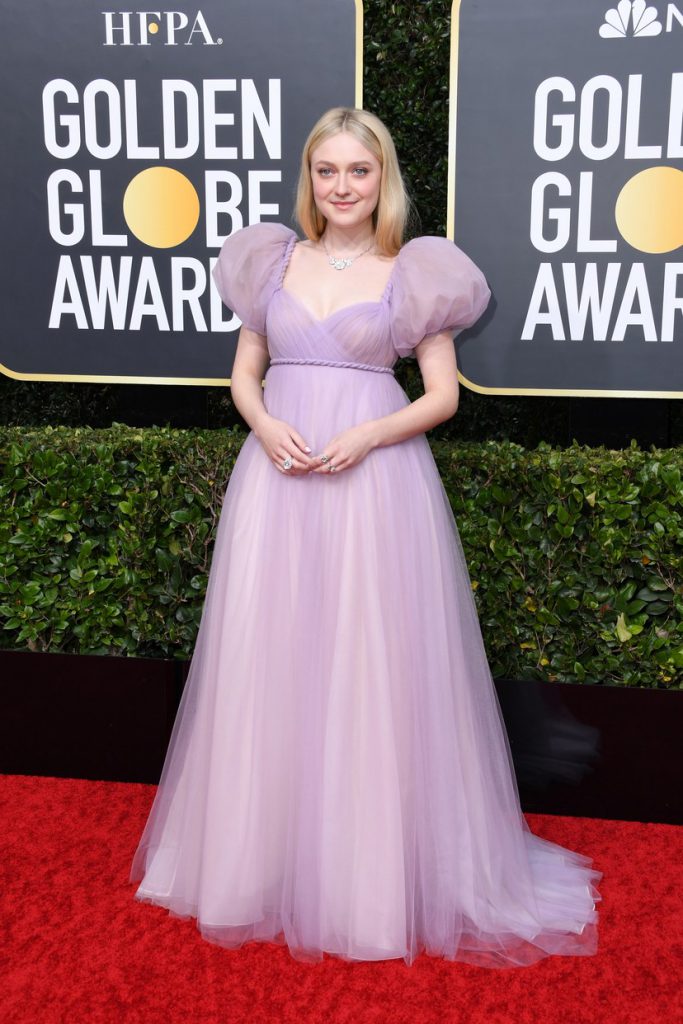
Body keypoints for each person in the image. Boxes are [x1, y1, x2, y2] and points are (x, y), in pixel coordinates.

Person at [130, 107, 602, 967]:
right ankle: (255, 862)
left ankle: (364, 879)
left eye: (358, 170)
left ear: (382, 178)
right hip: (276, 477)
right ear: (308, 178)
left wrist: (368, 436)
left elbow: (441, 397)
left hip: (372, 481)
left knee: (365, 659)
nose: (341, 186)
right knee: (268, 654)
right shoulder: (270, 261)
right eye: (326, 171)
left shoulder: (415, 272)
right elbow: (243, 375)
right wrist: (263, 424)